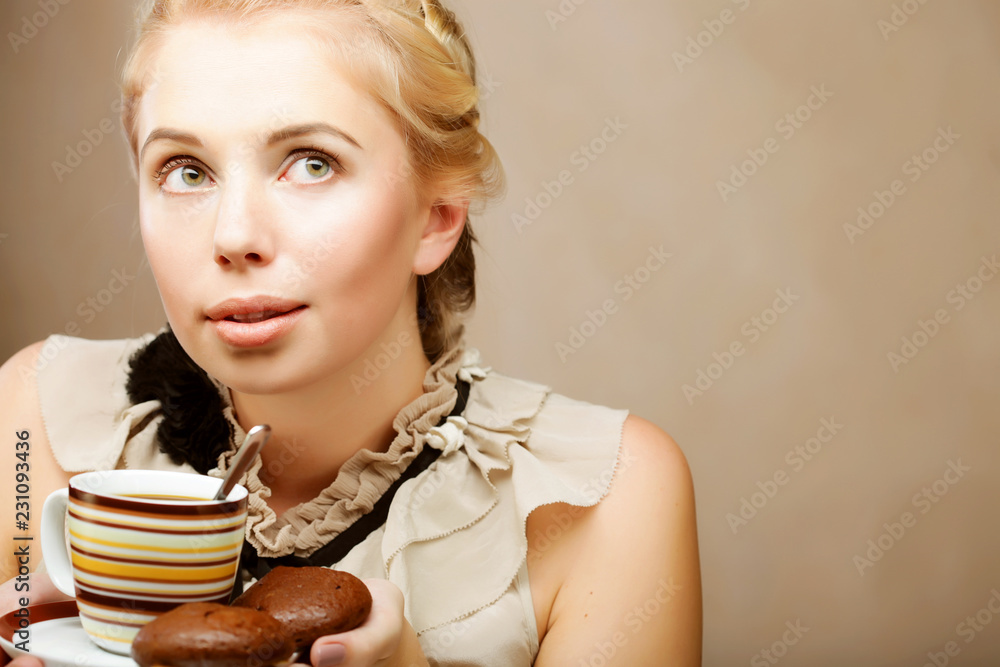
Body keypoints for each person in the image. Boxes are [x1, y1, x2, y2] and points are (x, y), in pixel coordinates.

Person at [0, 0, 701, 665]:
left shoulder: (604, 493)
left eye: (312, 162)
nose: (234, 235)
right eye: (186, 171)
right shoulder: (35, 418)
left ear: (438, 216)